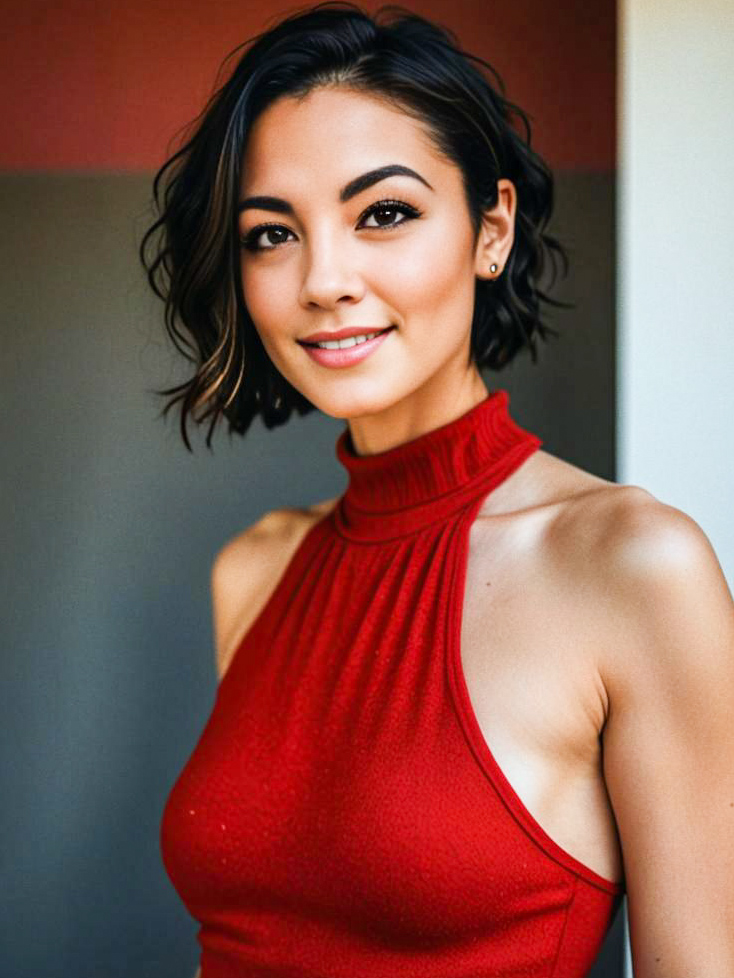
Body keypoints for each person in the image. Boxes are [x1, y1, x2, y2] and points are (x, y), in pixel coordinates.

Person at [139, 3, 734, 976]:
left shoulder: (632, 566)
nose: (323, 278)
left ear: (489, 229)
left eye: (383, 213)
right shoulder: (253, 571)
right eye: (269, 233)